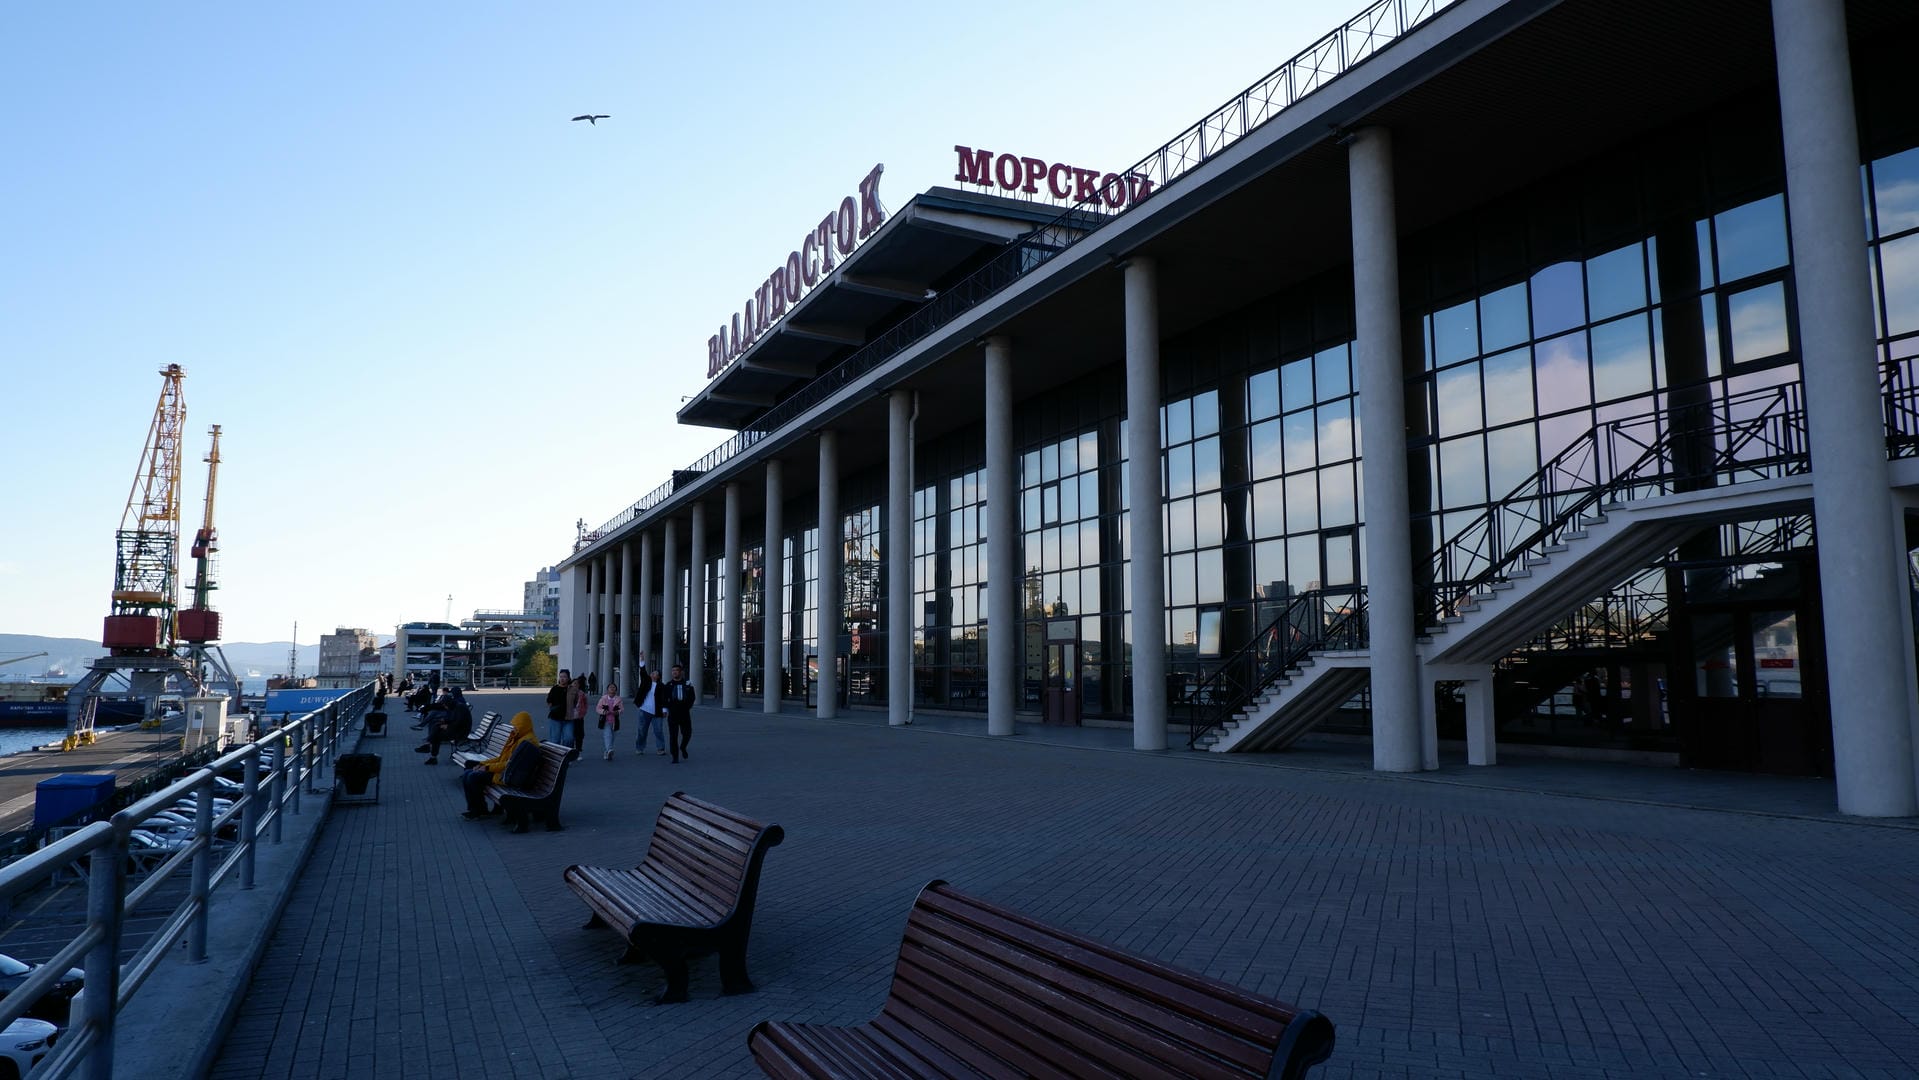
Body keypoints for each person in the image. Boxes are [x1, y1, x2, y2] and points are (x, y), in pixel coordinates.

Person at [461, 711, 535, 819]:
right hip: (504, 772)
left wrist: (487, 768)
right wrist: (482, 763)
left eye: (516, 727)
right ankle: (478, 809)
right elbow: (501, 758)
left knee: (473, 776)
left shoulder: (527, 742)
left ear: (523, 726)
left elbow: (510, 764)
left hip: (509, 776)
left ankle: (478, 810)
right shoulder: (517, 737)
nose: (513, 729)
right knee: (468, 772)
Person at [663, 664, 695, 763]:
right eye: (673, 671)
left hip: (684, 712)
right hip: (673, 713)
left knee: (687, 733)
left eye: (676, 670)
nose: (674, 672)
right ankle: (675, 756)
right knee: (673, 735)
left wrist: (687, 707)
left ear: (681, 672)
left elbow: (692, 697)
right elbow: (664, 699)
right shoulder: (668, 685)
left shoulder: (687, 684)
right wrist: (665, 710)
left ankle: (683, 747)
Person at [633, 668, 666, 756]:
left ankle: (661, 748)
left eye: (655, 673)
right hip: (644, 710)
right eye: (652, 672)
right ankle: (640, 748)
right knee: (642, 730)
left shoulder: (662, 686)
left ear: (658, 676)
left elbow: (664, 699)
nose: (652, 674)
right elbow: (643, 672)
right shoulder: (646, 682)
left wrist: (664, 709)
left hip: (657, 712)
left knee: (658, 730)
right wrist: (642, 661)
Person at [596, 680, 623, 760]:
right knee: (608, 735)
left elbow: (622, 709)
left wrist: (617, 712)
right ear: (607, 690)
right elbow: (598, 708)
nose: (612, 689)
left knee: (613, 736)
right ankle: (609, 750)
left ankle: (607, 751)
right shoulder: (603, 699)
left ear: (616, 690)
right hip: (605, 721)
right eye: (610, 687)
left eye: (614, 687)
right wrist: (604, 711)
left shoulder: (618, 700)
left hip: (615, 721)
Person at [545, 670, 572, 744]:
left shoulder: (572, 689)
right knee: (555, 740)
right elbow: (549, 700)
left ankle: (567, 754)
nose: (562, 679)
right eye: (561, 677)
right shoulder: (555, 688)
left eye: (564, 677)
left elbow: (578, 700)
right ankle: (557, 755)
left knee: (569, 738)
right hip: (555, 718)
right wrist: (553, 708)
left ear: (568, 678)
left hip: (569, 718)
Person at [567, 674, 589, 760]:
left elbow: (585, 704)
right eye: (574, 683)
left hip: (579, 717)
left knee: (580, 735)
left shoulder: (582, 693)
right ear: (571, 684)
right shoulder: (568, 693)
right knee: (570, 735)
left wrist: (583, 712)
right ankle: (571, 752)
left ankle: (578, 751)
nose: (575, 685)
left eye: (577, 683)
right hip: (570, 718)